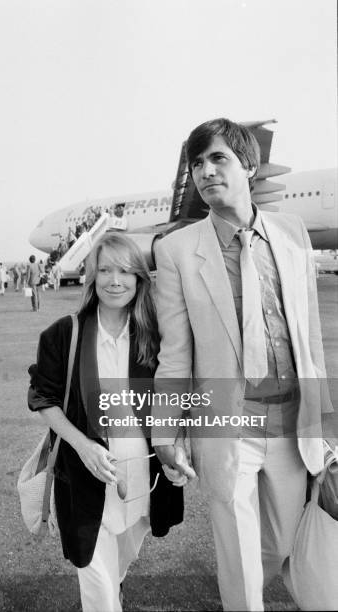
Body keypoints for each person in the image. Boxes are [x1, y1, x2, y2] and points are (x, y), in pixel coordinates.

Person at [152, 118, 334, 611]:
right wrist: (165, 432)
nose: (205, 172)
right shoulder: (175, 252)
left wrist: (325, 423)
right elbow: (176, 353)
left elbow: (309, 338)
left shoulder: (292, 233)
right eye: (196, 163)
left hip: (292, 422)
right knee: (238, 554)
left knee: (276, 543)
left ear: (248, 166)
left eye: (218, 159)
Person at [27, 233, 183, 612]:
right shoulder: (64, 333)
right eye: (106, 270)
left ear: (140, 278)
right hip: (83, 478)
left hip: (144, 480)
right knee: (98, 586)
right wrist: (84, 446)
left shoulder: (156, 334)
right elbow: (42, 398)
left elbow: (175, 398)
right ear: (92, 276)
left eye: (126, 271)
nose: (116, 280)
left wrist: (175, 448)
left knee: (119, 568)